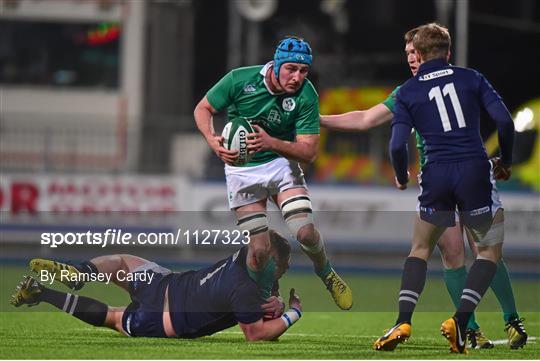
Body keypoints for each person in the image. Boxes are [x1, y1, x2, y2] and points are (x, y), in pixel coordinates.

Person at [321, 27, 527, 350]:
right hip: (466, 172)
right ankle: (469, 327)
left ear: (425, 52)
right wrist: (320, 119)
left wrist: (401, 173)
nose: (411, 60)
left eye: (414, 54)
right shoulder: (441, 83)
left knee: (473, 251)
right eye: (406, 56)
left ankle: (509, 319)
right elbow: (364, 118)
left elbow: (393, 140)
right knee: (457, 252)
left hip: (437, 177)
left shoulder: (412, 91)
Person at [193, 35, 352, 310]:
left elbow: (309, 152)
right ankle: (262, 301)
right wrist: (212, 140)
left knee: (305, 233)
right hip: (241, 171)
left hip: (281, 164)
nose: (297, 77)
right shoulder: (239, 80)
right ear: (276, 65)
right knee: (259, 251)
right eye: (291, 69)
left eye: (303, 71)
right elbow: (203, 108)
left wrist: (271, 142)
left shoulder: (306, 94)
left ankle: (325, 272)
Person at [11, 230, 302, 341]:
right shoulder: (246, 291)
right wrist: (292, 312)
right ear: (269, 264)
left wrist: (272, 299)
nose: (284, 273)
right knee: (113, 317)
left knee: (121, 262)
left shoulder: (245, 255)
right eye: (283, 268)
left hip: (164, 285)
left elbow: (264, 264)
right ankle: (44, 293)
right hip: (165, 321)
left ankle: (79, 273)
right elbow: (256, 334)